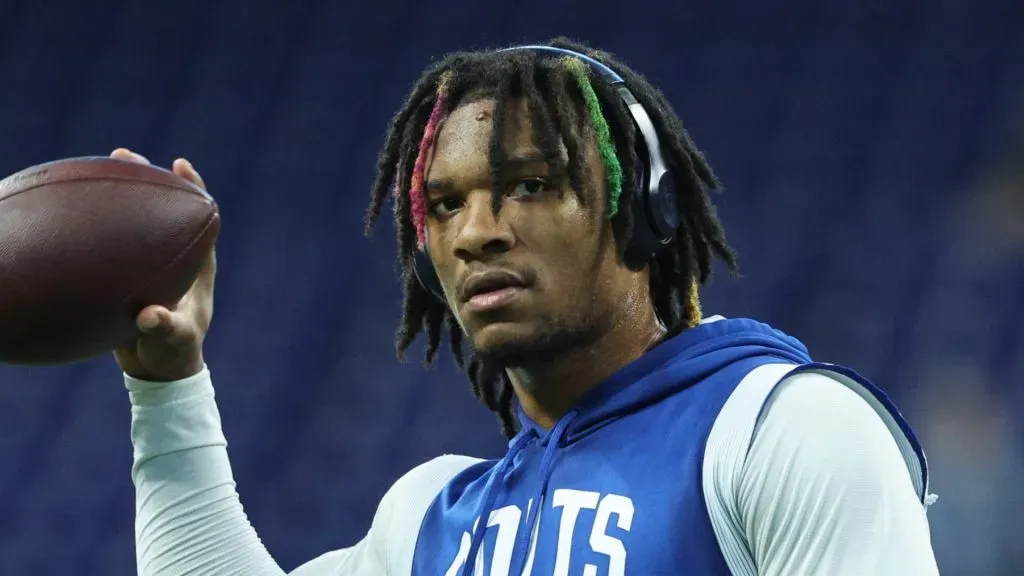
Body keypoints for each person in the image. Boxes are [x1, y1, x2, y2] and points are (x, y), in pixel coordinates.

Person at [113, 38, 940, 575]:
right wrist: (166, 383)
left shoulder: (784, 433)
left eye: (531, 186)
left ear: (641, 209)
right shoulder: (428, 524)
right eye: (445, 206)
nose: (478, 232)